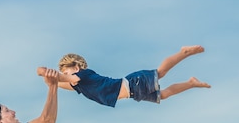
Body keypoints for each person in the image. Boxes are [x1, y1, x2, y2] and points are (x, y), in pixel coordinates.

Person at [37, 45, 211, 108]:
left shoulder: (83, 75)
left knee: (160, 73)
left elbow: (68, 79)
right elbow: (57, 84)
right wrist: (49, 79)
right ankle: (190, 83)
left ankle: (183, 52)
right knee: (163, 95)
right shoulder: (78, 84)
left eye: (66, 71)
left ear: (76, 67)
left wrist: (44, 71)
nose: (66, 75)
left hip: (132, 83)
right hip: (133, 93)